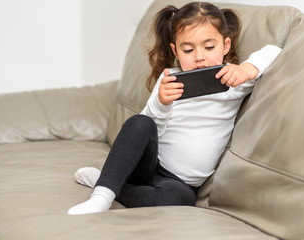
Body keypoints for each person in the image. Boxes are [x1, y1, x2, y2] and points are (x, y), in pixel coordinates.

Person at [68, 2, 282, 215]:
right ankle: (102, 196)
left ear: (225, 46)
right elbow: (147, 130)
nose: (199, 56)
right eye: (188, 49)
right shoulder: (170, 79)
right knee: (140, 122)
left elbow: (274, 50)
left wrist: (247, 69)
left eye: (209, 47)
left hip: (179, 182)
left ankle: (107, 182)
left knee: (180, 199)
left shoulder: (234, 79)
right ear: (176, 51)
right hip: (148, 165)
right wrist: (162, 103)